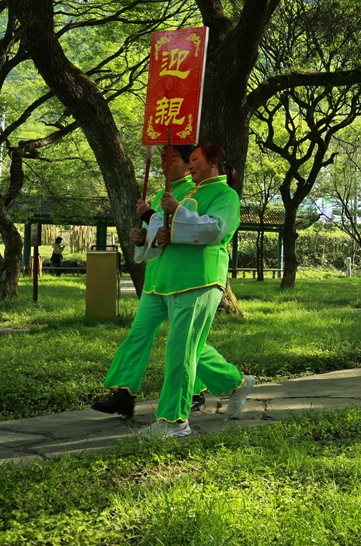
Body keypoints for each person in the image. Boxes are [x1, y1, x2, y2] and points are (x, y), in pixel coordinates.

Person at [92, 143, 253, 439]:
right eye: (188, 160)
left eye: (193, 159)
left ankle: (175, 420)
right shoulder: (187, 194)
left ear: (213, 163)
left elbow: (214, 230)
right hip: (166, 278)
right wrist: (144, 237)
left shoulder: (225, 195)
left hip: (199, 279)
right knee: (182, 345)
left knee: (181, 349)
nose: (190, 165)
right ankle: (235, 383)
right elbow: (161, 235)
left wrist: (173, 216)